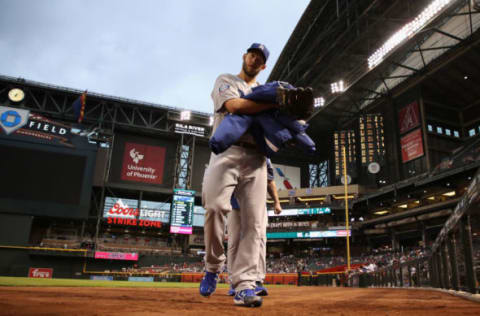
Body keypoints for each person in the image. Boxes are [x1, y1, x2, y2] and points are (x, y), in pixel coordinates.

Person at [200, 43, 277, 307]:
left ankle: (244, 285)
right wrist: (270, 105)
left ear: (264, 66)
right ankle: (212, 266)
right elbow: (234, 106)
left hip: (257, 158)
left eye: (261, 58)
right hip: (227, 151)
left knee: (255, 224)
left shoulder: (267, 92)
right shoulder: (226, 80)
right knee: (213, 208)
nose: (255, 58)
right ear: (245, 56)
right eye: (252, 53)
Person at [227, 158, 282, 297]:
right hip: (234, 207)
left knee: (260, 241)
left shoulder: (265, 158)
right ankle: (235, 282)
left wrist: (277, 202)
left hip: (257, 206)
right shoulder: (233, 154)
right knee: (234, 244)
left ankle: (257, 281)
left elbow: (270, 181)